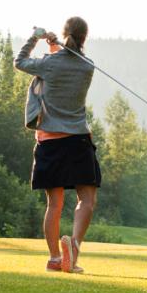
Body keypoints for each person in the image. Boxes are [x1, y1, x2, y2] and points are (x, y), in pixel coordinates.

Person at [15, 16, 100, 273]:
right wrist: (56, 47)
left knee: (54, 204)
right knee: (86, 199)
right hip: (77, 140)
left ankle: (54, 258)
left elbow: (20, 61)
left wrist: (36, 37)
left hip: (50, 142)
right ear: (84, 38)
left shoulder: (50, 64)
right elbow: (67, 64)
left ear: (64, 35)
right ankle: (73, 247)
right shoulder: (88, 67)